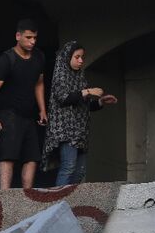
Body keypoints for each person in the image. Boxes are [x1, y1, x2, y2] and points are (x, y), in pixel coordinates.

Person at [42, 41, 118, 185]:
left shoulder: (80, 78)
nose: (81, 60)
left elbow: (83, 105)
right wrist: (89, 91)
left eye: (82, 57)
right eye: (77, 57)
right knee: (69, 166)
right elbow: (64, 98)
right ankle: (60, 201)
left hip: (80, 131)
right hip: (66, 130)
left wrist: (101, 102)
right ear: (67, 57)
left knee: (80, 171)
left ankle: (72, 202)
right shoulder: (61, 75)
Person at [0, 19, 47, 189]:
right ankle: (4, 194)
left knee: (32, 157)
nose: (32, 41)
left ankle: (27, 195)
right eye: (28, 37)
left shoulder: (39, 57)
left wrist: (42, 109)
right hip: (8, 113)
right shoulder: (7, 59)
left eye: (35, 38)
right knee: (8, 155)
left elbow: (39, 83)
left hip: (29, 114)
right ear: (18, 36)